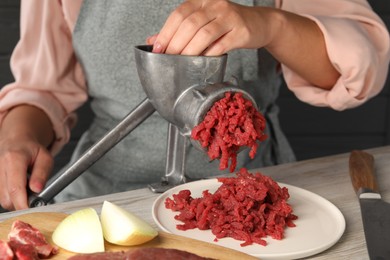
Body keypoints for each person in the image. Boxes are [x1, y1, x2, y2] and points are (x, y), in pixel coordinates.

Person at [0, 0, 389, 211]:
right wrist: (17, 136)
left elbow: (354, 67)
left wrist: (272, 24)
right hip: (101, 195)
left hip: (247, 194)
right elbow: (42, 87)